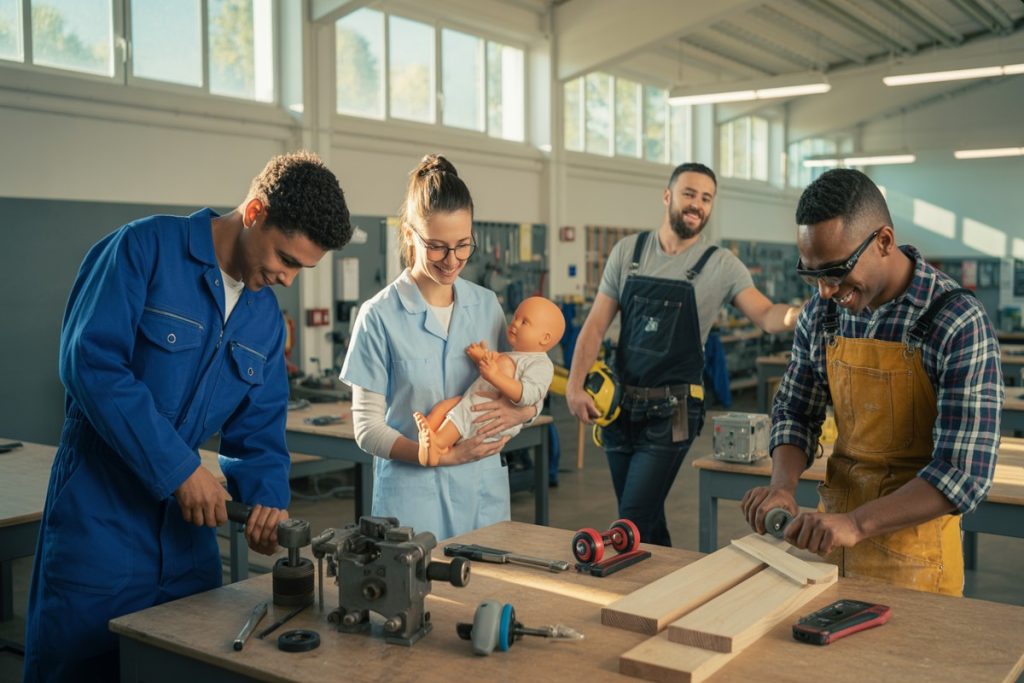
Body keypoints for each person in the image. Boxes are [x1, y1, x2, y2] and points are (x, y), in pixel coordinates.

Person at [23, 151, 352, 681]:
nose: (289, 279)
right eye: (287, 260)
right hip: (98, 523)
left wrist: (267, 502)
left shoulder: (264, 318)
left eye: (302, 269)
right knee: (79, 668)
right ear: (255, 212)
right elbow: (91, 364)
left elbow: (259, 431)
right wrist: (179, 470)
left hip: (188, 541)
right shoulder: (143, 249)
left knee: (185, 665)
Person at [741, 168, 1001, 596]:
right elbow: (795, 409)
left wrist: (858, 523)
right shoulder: (822, 313)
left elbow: (963, 473)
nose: (825, 290)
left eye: (836, 271)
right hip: (831, 551)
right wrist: (782, 487)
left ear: (883, 241)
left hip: (918, 563)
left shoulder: (956, 321)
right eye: (813, 275)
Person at [566, 162, 801, 547]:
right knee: (644, 518)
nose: (697, 205)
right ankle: (663, 585)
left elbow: (765, 314)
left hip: (673, 413)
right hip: (619, 409)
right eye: (689, 194)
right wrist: (575, 385)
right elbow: (594, 326)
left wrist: (797, 314)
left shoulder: (721, 265)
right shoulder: (629, 252)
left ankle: (638, 597)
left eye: (706, 198)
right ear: (668, 196)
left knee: (631, 516)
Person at [340, 154, 539, 540]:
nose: (452, 261)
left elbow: (527, 384)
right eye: (437, 247)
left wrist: (524, 413)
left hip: (482, 494)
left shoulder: (486, 306)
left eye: (463, 245)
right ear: (410, 234)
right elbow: (367, 430)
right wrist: (438, 455)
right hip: (413, 501)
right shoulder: (378, 315)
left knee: (488, 595)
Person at [414, 296, 565, 466]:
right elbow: (493, 368)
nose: (514, 323)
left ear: (544, 338)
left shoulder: (540, 364)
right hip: (477, 401)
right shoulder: (515, 355)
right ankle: (427, 435)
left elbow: (528, 395)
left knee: (463, 414)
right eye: (515, 317)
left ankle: (437, 445)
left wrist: (495, 375)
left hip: (488, 415)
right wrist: (482, 358)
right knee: (445, 407)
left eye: (524, 322)